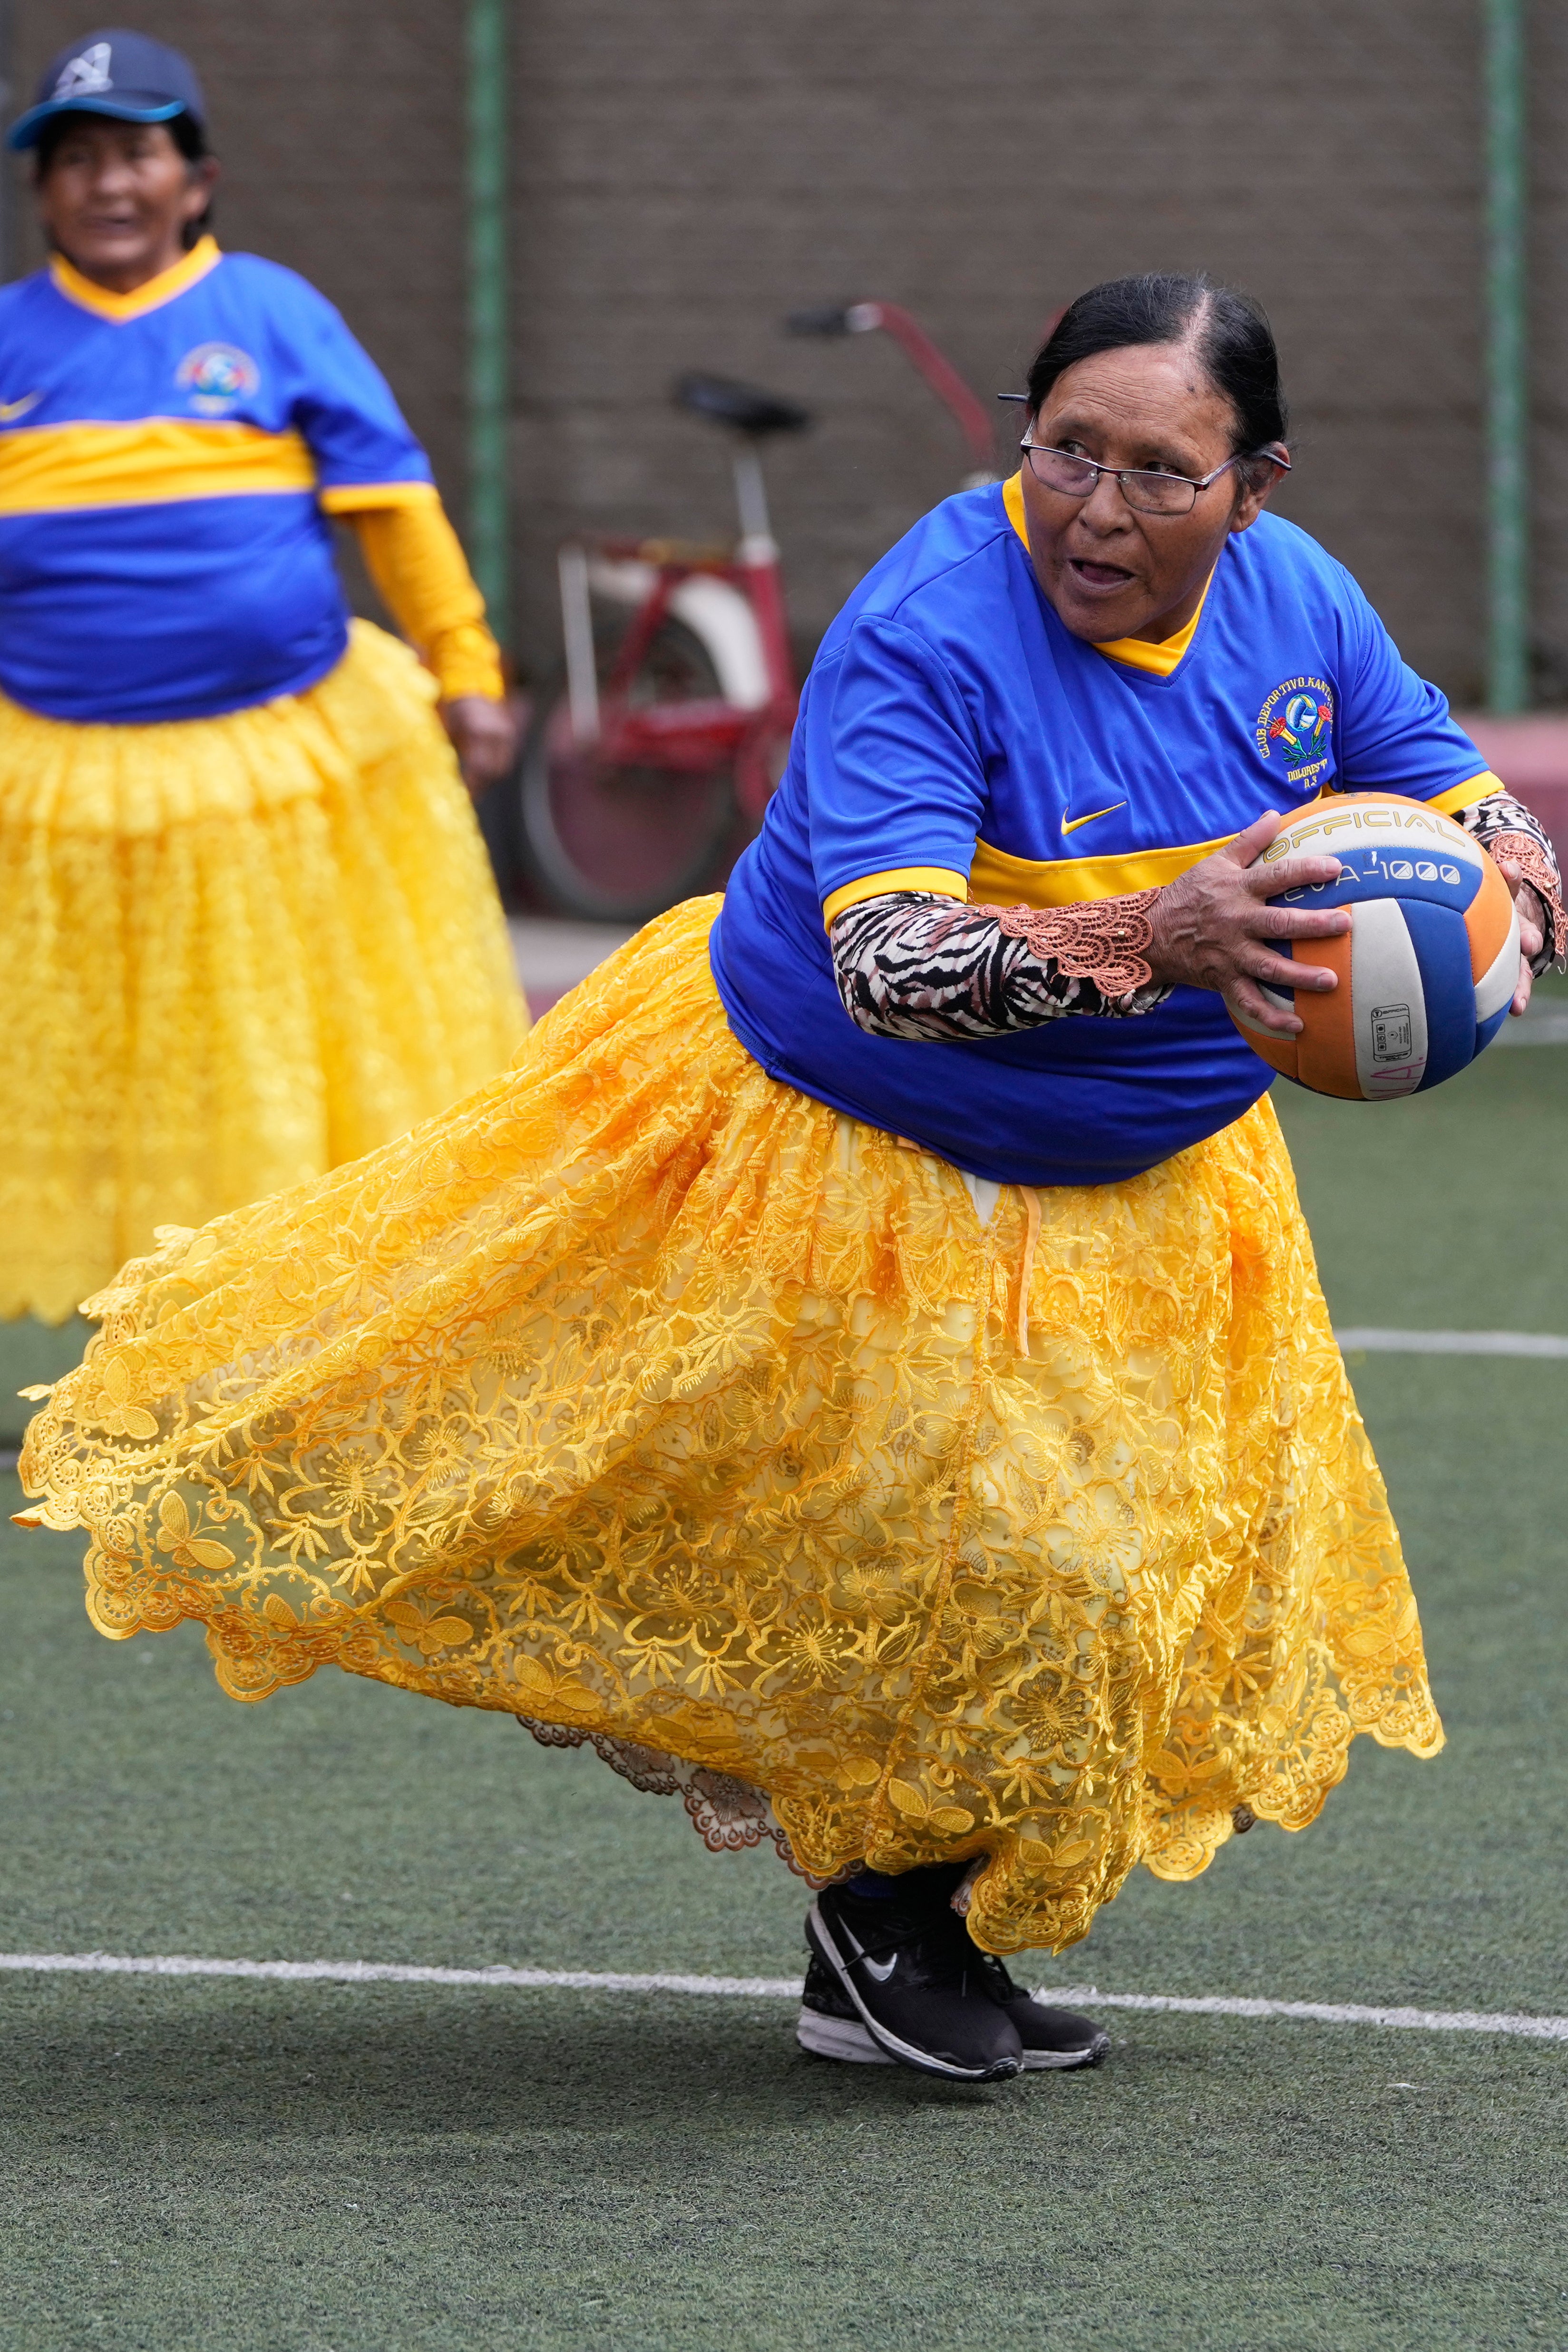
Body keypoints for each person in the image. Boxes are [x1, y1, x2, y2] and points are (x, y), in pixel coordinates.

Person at [21, 273, 1562, 2087]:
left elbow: (1458, 798)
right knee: (991, 1556)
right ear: (1022, 434)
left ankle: (925, 1917)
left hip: (1149, 1174)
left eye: (1161, 472)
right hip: (856, 1147)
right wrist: (1163, 928)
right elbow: (892, 965)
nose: (1099, 508)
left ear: (1255, 487)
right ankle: (883, 1918)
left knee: (1124, 1579)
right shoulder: (930, 621)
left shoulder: (1303, 608)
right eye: (1068, 451)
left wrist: (1511, 903)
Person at [0, 31, 526, 1327]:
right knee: (85, 1052)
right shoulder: (9, 339)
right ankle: (85, 1306)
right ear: (42, 193)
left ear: (196, 178)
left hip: (282, 752)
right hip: (53, 773)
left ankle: (300, 1297)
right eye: (75, 161)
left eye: (134, 154)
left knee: (278, 1033)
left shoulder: (277, 313)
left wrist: (465, 667)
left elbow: (395, 511)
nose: (106, 185)